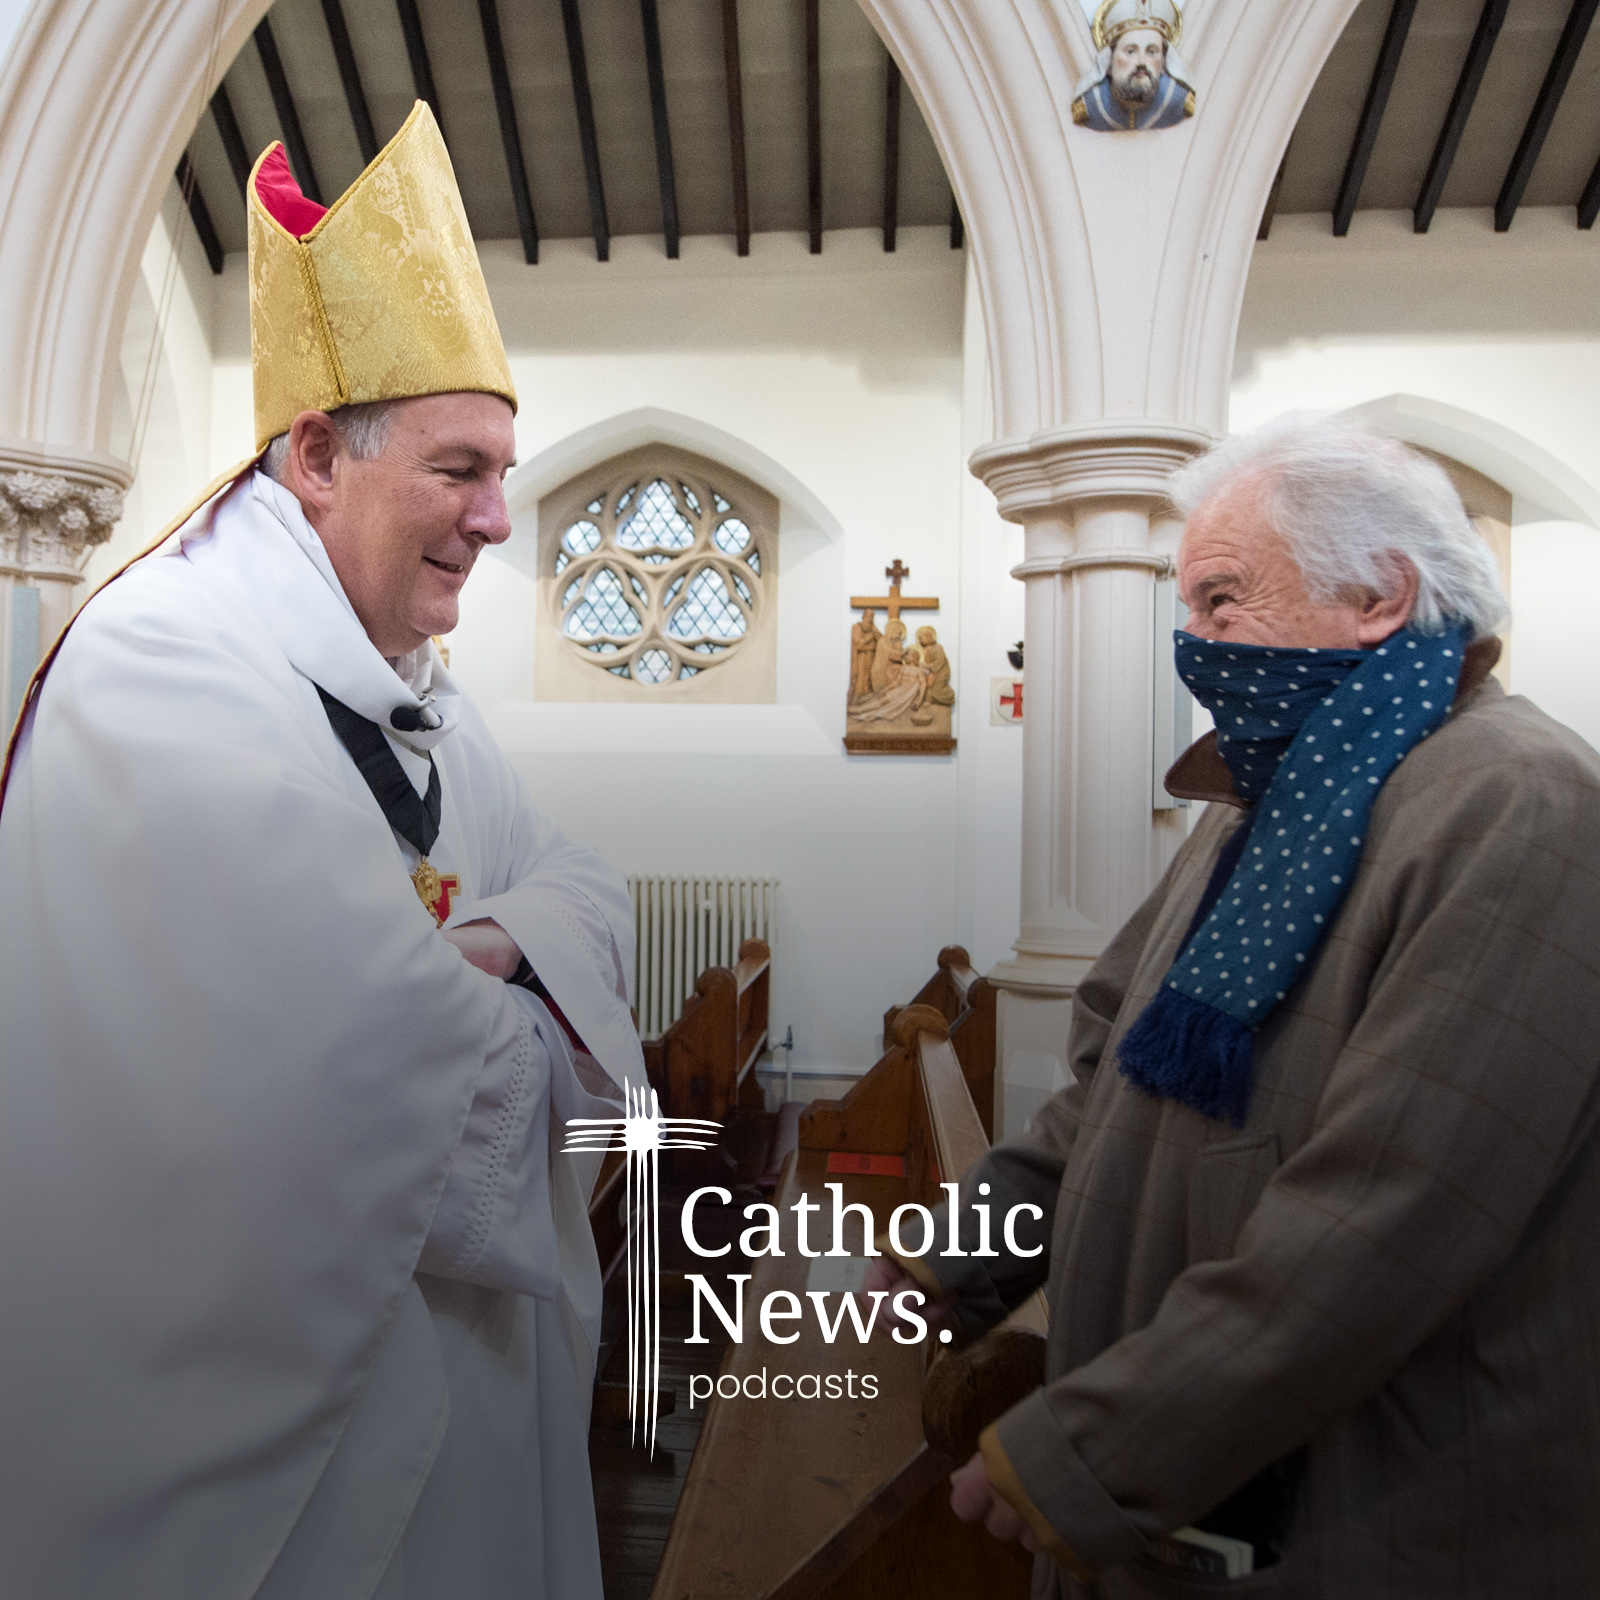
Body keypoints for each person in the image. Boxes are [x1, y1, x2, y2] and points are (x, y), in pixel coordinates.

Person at [0, 104, 643, 1599]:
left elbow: (582, 887)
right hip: (267, 1431)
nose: (497, 519)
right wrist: (510, 967)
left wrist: (485, 949)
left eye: (501, 472)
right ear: (313, 456)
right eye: (458, 470)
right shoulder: (166, 669)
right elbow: (351, 1062)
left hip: (458, 1374)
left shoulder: (406, 679)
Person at [866, 416, 1600, 1596]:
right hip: (1201, 1493)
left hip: (1373, 1510)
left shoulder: (1518, 805)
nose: (1192, 643)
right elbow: (1115, 1072)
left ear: (1375, 595)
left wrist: (1082, 1453)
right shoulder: (1281, 791)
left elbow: (1381, 1219)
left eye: (1220, 600)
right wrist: (957, 1255)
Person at [1071, 0, 1196, 133]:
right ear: (1109, 60)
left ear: (1164, 62)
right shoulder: (1093, 104)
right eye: (1131, 51)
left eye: (1151, 52)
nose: (1141, 62)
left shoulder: (1176, 100)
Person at [850, 607, 881, 701]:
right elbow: (857, 643)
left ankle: (868, 696)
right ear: (863, 616)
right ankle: (859, 696)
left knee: (869, 676)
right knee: (861, 676)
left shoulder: (873, 628)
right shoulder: (856, 627)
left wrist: (875, 634)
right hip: (861, 656)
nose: (870, 618)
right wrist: (870, 637)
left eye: (872, 616)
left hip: (872, 656)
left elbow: (881, 640)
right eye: (869, 615)